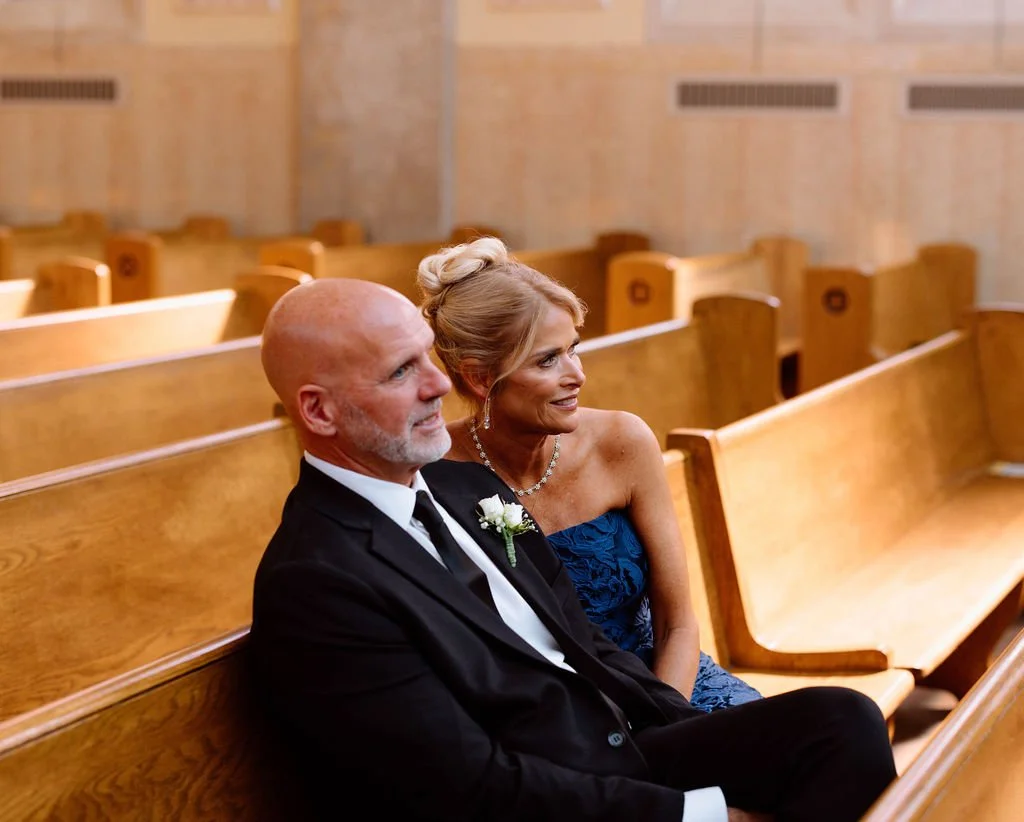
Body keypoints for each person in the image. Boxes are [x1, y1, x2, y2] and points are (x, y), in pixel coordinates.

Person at [250, 276, 897, 822]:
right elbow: (468, 786)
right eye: (401, 371)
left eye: (428, 358)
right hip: (539, 793)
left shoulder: (461, 486)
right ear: (320, 412)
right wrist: (695, 813)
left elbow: (583, 641)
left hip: (618, 739)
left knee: (844, 725)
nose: (439, 385)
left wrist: (682, 731)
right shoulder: (317, 579)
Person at [418, 236, 760, 711]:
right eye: (547, 360)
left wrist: (670, 722)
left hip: (668, 683)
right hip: (552, 715)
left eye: (573, 349)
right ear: (479, 378)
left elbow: (677, 623)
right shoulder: (431, 477)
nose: (576, 374)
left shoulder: (622, 441)